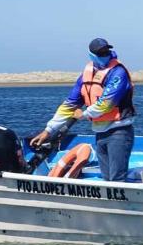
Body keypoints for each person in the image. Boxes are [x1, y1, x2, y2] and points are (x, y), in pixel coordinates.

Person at [29, 38, 135, 182]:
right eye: (100, 52)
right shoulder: (86, 75)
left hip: (119, 132)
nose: (105, 54)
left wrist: (83, 115)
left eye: (106, 51)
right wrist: (48, 131)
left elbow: (106, 104)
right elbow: (69, 105)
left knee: (117, 179)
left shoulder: (118, 73)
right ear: (91, 55)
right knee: (107, 178)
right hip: (100, 134)